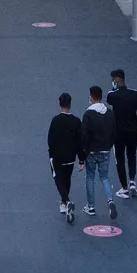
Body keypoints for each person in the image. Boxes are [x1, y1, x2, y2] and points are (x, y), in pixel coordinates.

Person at [107, 69, 137, 198]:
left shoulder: (112, 95)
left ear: (117, 80)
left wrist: (114, 89)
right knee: (132, 155)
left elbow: (109, 98)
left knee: (119, 159)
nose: (112, 81)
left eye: (113, 79)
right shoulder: (135, 94)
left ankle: (124, 187)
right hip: (132, 130)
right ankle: (132, 181)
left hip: (118, 132)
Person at [80, 85, 118, 219]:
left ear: (91, 97)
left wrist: (84, 151)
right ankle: (110, 200)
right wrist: (109, 145)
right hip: (105, 150)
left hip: (91, 151)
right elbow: (114, 131)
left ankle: (91, 207)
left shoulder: (88, 114)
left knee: (90, 177)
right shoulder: (109, 113)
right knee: (105, 177)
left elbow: (84, 134)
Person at [46, 92, 83, 224]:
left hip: (58, 157)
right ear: (70, 104)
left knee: (58, 179)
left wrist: (52, 153)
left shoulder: (55, 121)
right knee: (67, 179)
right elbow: (80, 142)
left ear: (60, 104)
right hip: (71, 157)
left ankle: (66, 201)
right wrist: (81, 159)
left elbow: (50, 140)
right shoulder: (76, 121)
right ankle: (63, 202)